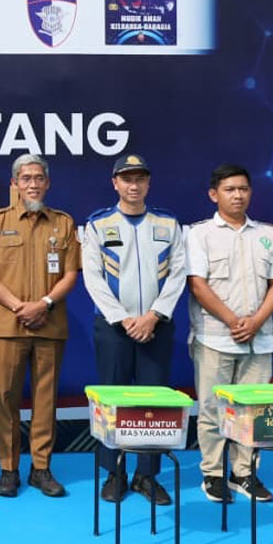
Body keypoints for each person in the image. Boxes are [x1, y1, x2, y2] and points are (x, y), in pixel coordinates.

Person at [0, 153, 80, 499]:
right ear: (14, 184)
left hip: (50, 322)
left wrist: (44, 303)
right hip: (10, 324)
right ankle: (8, 469)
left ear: (47, 183)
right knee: (7, 397)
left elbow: (70, 274)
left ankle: (41, 468)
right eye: (26, 178)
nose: (32, 184)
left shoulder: (63, 223)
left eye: (38, 178)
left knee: (45, 398)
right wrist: (19, 306)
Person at [81, 154, 186, 506]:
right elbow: (93, 278)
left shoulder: (168, 223)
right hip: (114, 327)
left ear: (149, 183)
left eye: (140, 178)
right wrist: (123, 319)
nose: (134, 185)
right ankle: (115, 472)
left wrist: (153, 316)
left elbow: (178, 274)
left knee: (153, 402)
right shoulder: (98, 224)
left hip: (156, 327)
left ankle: (147, 475)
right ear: (115, 183)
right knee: (113, 400)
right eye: (127, 179)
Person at [187, 163, 273, 504]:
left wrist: (256, 321)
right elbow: (197, 285)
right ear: (213, 195)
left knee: (252, 411)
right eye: (229, 189)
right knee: (212, 409)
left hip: (259, 339)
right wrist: (233, 320)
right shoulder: (199, 234)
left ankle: (243, 473)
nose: (238, 195)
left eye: (243, 189)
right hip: (215, 337)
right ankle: (213, 474)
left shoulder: (266, 234)